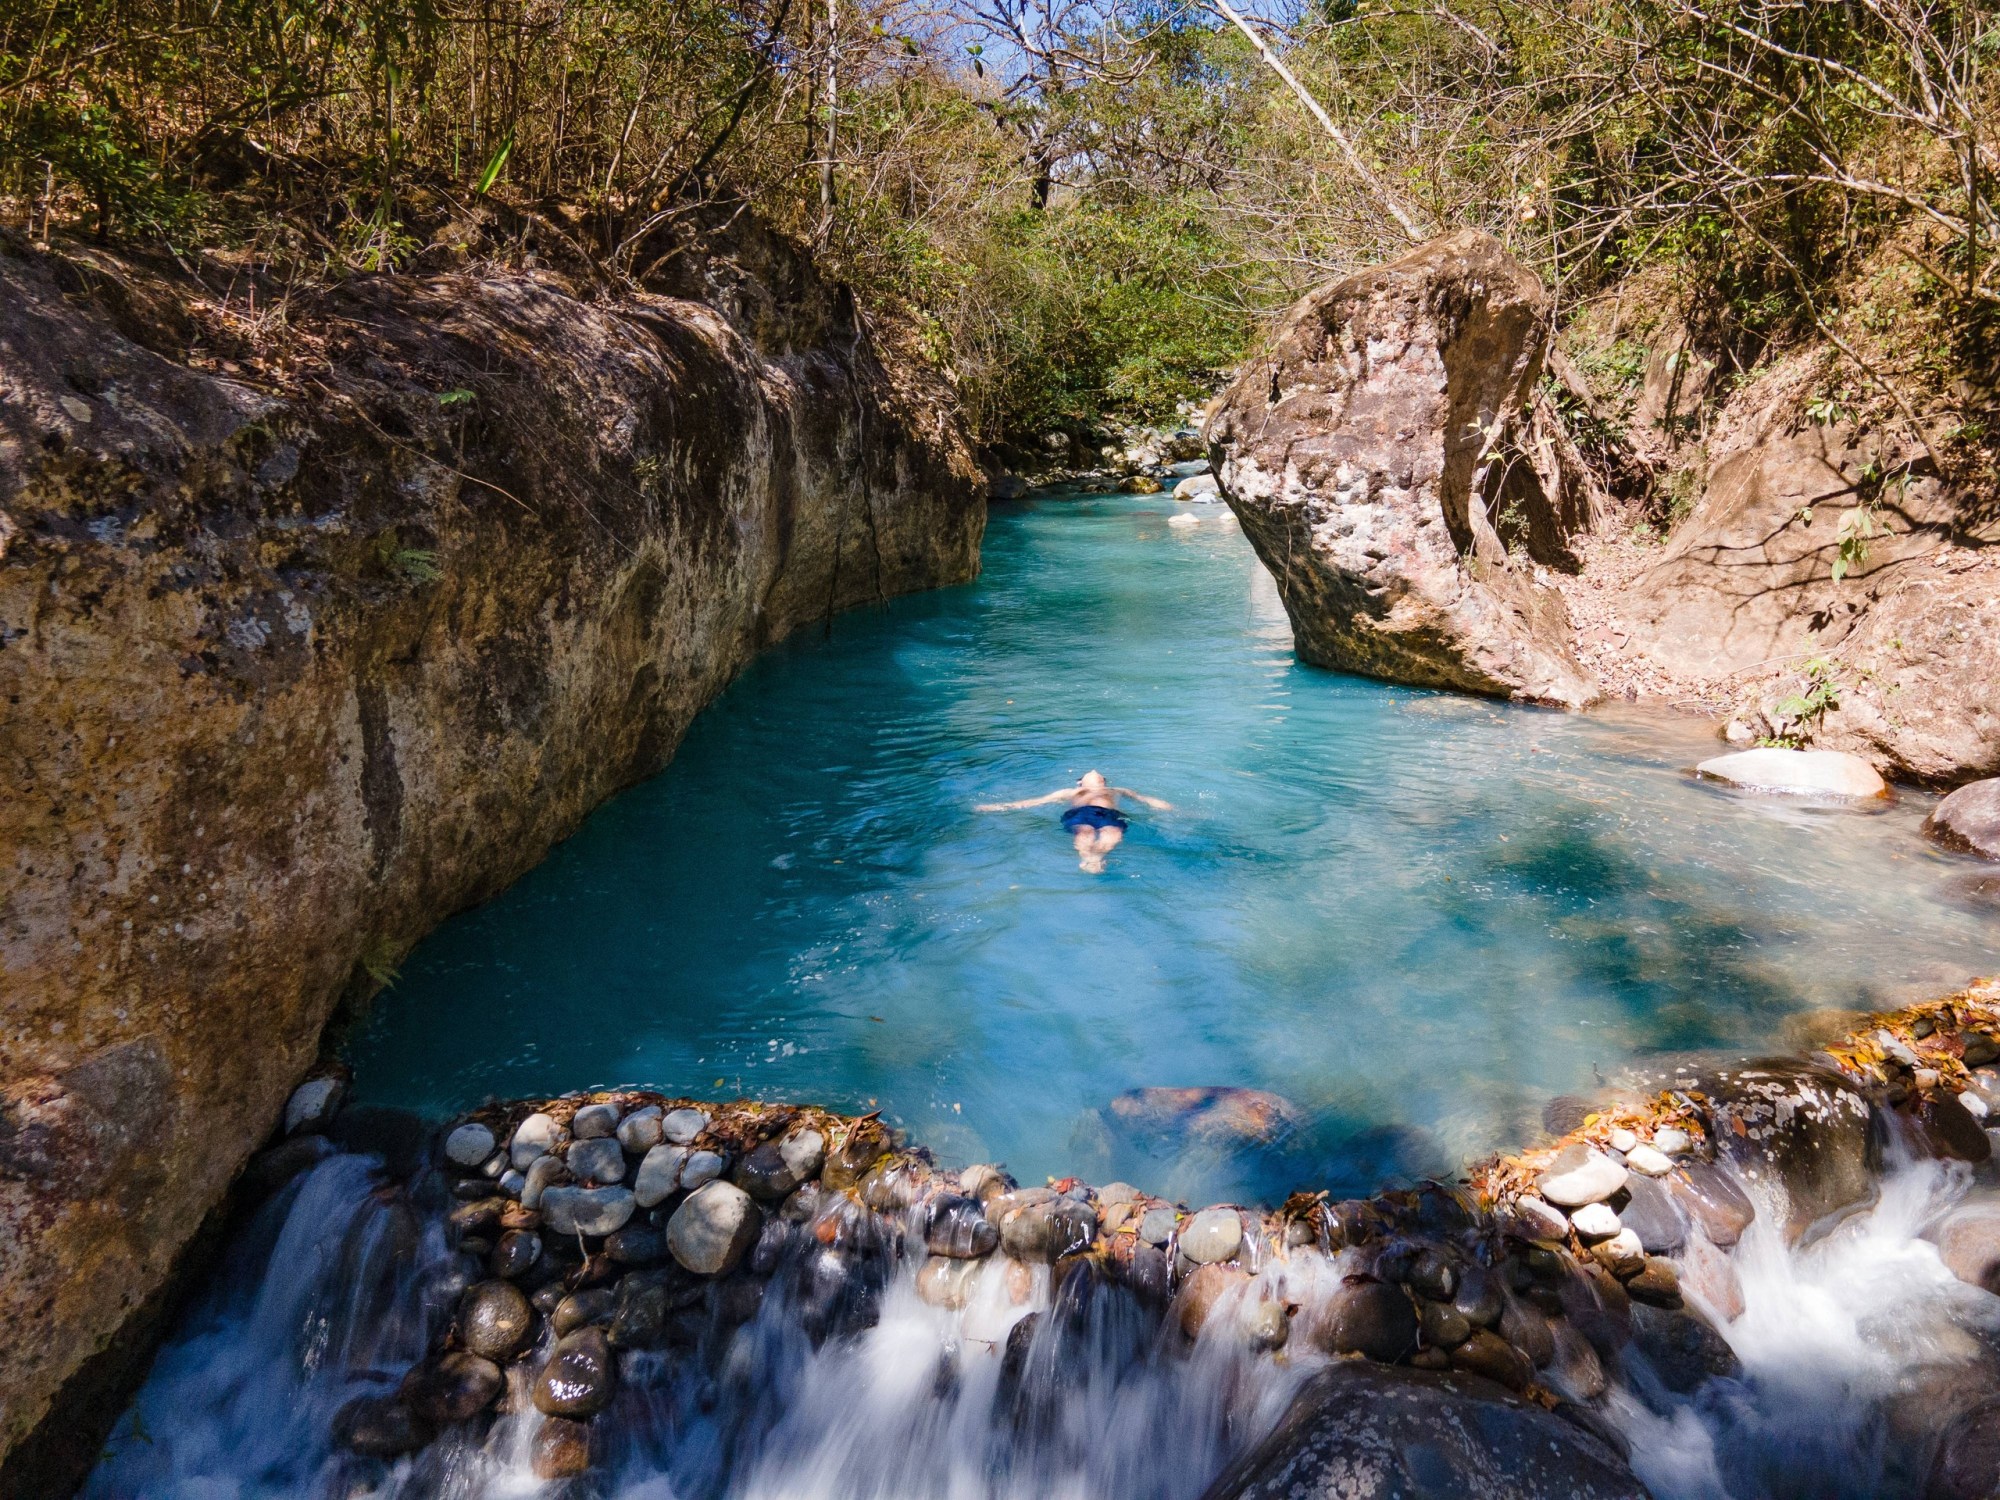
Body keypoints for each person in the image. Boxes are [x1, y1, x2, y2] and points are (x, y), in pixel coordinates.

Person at [977, 770, 1172, 873]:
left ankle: (1096, 858)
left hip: (1109, 814)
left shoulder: (1118, 790)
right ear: (1080, 782)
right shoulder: (1070, 792)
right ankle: (1087, 857)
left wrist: (1171, 809)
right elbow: (1035, 802)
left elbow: (1145, 799)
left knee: (1112, 833)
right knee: (1085, 831)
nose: (1095, 772)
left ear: (1104, 781)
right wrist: (999, 807)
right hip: (1082, 812)